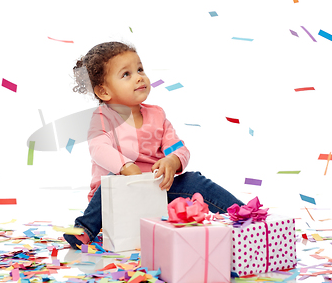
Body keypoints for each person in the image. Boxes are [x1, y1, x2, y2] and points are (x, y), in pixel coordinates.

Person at [63, 41, 245, 249]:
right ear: (104, 92)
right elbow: (98, 148)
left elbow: (178, 148)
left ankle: (244, 214)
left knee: (194, 179)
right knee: (109, 183)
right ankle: (85, 229)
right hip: (121, 193)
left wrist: (172, 160)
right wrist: (125, 166)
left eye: (140, 69)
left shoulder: (157, 115)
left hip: (156, 190)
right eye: (126, 74)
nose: (139, 76)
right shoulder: (103, 118)